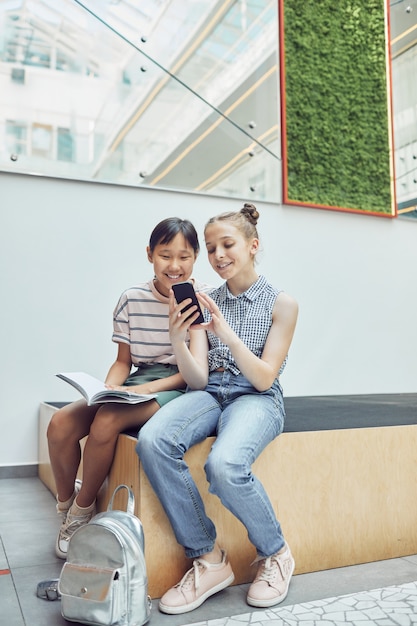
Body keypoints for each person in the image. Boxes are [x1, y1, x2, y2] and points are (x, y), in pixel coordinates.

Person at [136, 203, 299, 614]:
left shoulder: (282, 304)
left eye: (227, 245)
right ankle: (208, 560)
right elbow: (198, 381)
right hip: (212, 393)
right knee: (153, 440)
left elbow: (264, 377)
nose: (218, 255)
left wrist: (222, 328)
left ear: (252, 245)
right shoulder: (204, 299)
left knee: (224, 465)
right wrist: (179, 338)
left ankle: (276, 553)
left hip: (256, 397)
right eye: (210, 248)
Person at [47, 217, 207, 559]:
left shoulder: (200, 301)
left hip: (176, 387)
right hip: (138, 380)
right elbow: (123, 361)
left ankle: (82, 511)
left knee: (105, 421)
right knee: (60, 423)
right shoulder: (131, 298)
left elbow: (189, 373)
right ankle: (66, 505)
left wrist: (142, 392)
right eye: (165, 255)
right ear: (150, 254)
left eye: (184, 256)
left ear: (196, 257)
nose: (175, 265)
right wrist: (110, 387)